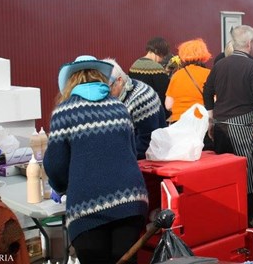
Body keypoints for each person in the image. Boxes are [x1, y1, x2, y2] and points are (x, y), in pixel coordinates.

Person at [43, 55, 148, 264]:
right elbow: (130, 150)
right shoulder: (120, 108)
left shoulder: (64, 113)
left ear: (70, 82)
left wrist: (61, 187)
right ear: (100, 77)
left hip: (88, 210)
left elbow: (55, 167)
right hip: (131, 203)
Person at [202, 25, 253, 226]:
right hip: (242, 126)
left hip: (221, 125)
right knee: (246, 175)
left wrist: (211, 119)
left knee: (224, 174)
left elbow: (207, 92)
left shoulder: (220, 65)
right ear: (250, 43)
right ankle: (245, 222)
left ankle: (225, 217)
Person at [103, 58, 167, 160]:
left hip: (149, 159)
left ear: (119, 81)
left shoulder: (141, 99)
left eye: (107, 88)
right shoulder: (122, 93)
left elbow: (146, 141)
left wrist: (118, 159)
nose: (103, 93)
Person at [165, 39, 212, 123]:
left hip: (179, 121)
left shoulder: (177, 75)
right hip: (200, 121)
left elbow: (168, 105)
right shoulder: (209, 74)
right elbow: (215, 101)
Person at [128, 37, 171, 118]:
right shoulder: (156, 68)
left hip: (136, 109)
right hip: (153, 111)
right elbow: (165, 92)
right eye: (163, 56)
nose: (162, 60)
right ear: (158, 52)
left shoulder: (134, 64)